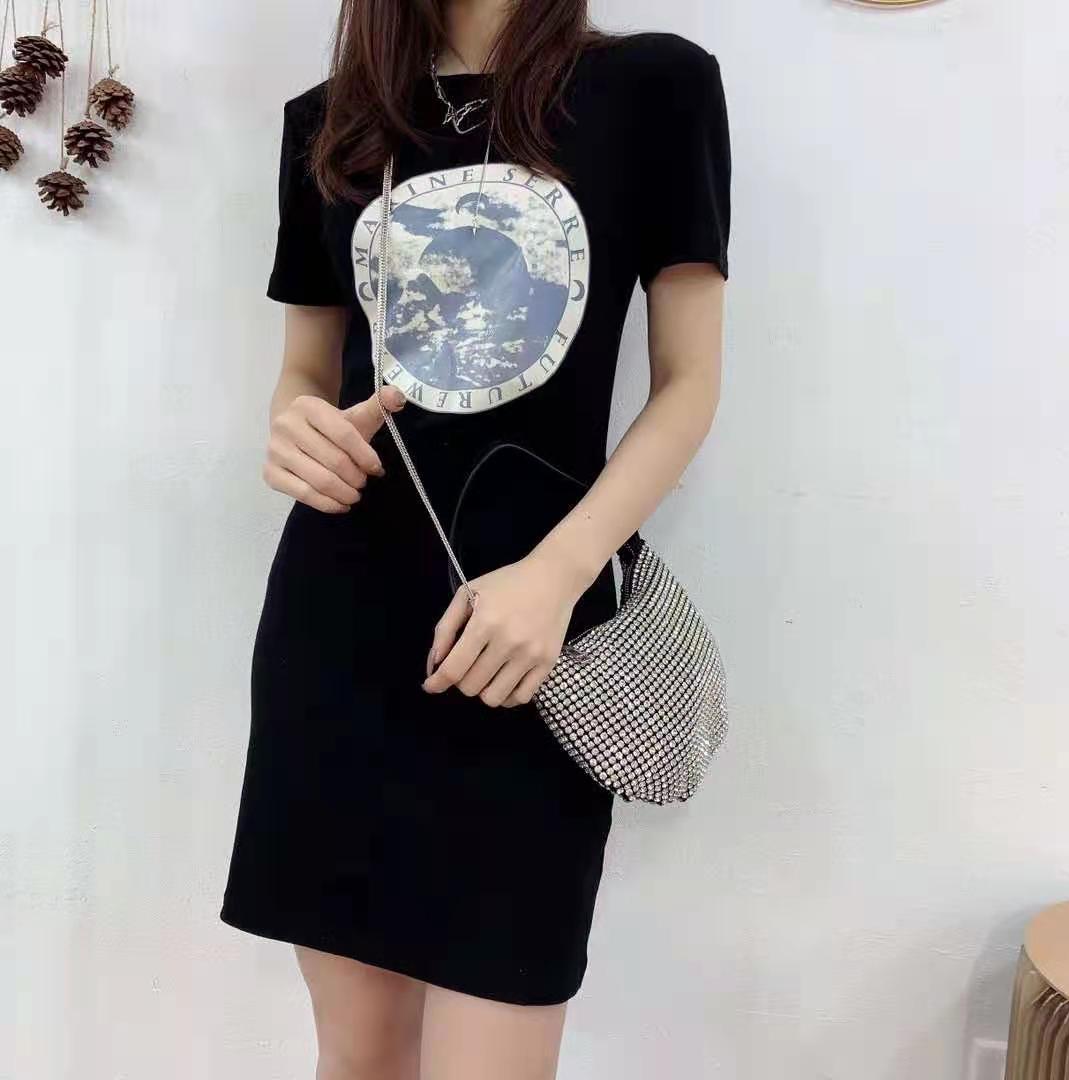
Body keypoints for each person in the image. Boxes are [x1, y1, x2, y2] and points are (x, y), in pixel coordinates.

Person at [220, 0, 731, 1075]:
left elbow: (689, 384)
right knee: (357, 1057)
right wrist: (294, 430)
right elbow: (306, 370)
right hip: (341, 632)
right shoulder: (332, 120)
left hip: (526, 645)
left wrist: (557, 574)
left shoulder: (653, 87)